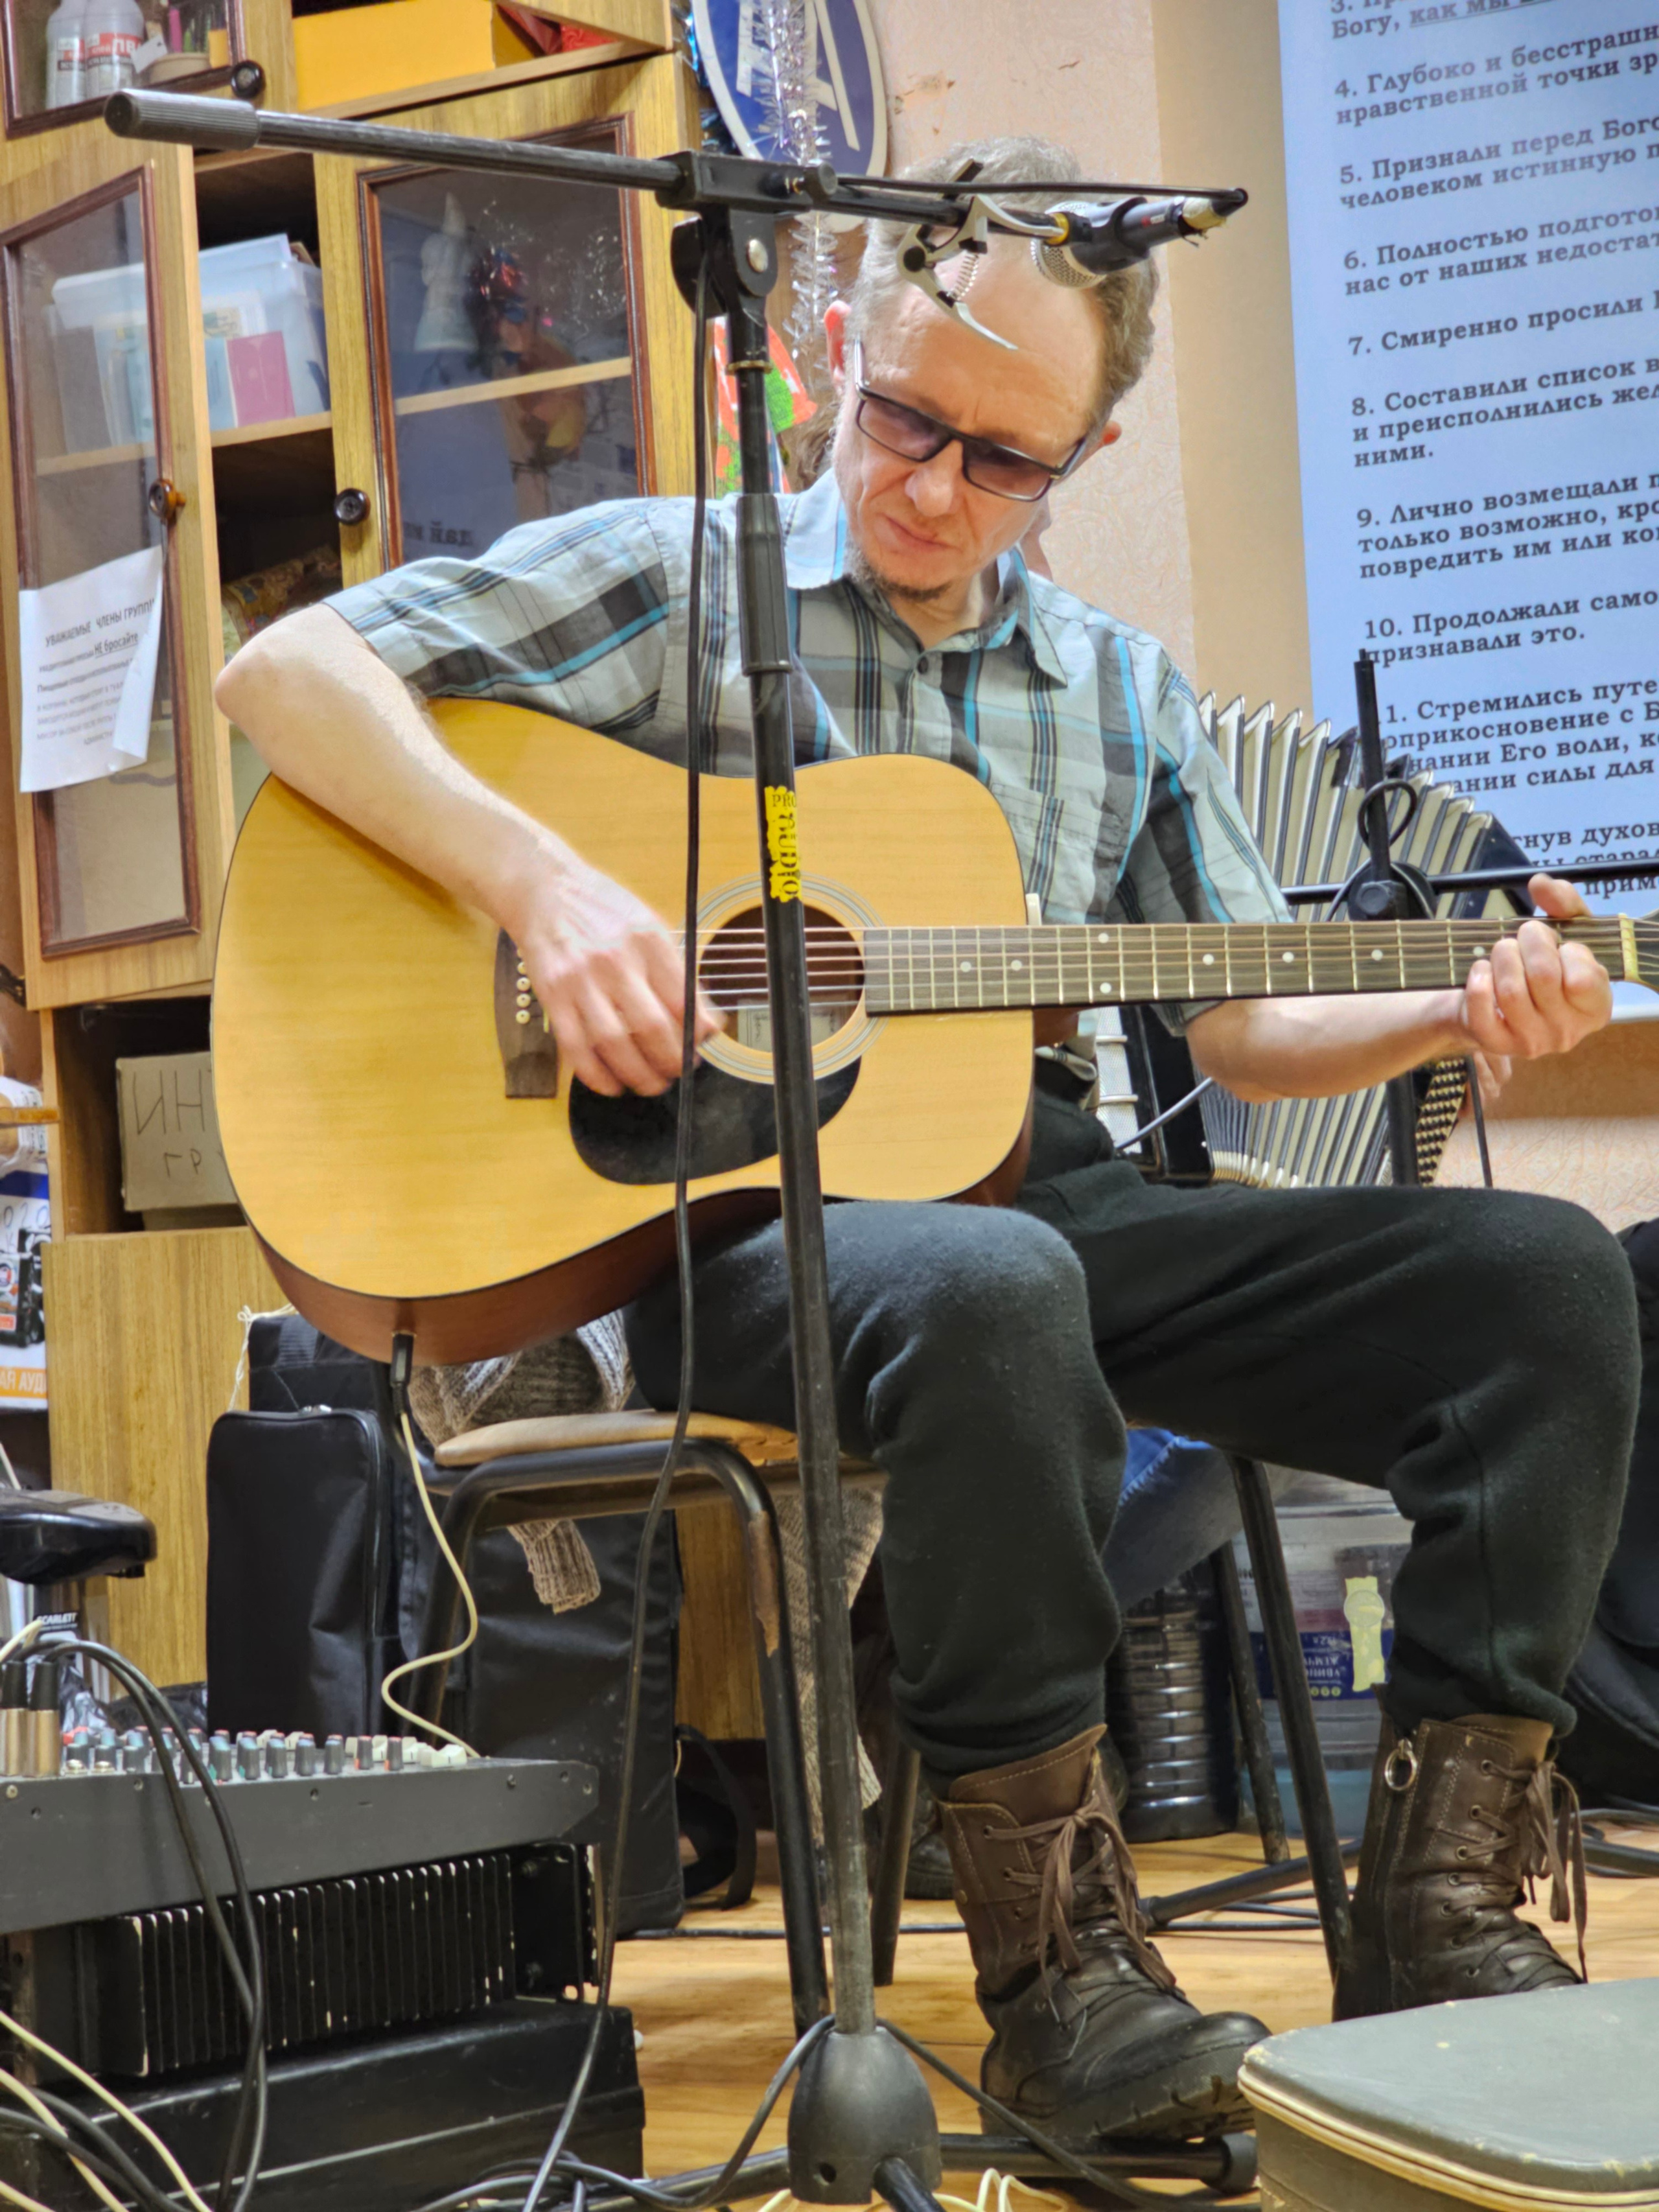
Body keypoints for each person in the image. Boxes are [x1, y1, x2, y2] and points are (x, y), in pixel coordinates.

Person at [218, 138, 1642, 2144]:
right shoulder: (675, 577)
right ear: (835, 351)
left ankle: (1441, 1922)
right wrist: (552, 892)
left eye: (1004, 463)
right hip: (737, 1224)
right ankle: (1061, 1974)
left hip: (1030, 1178)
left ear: (1088, 454)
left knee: (1550, 1285)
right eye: (906, 421)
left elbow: (1237, 1021)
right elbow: (286, 673)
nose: (932, 488)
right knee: (994, 1284)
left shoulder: (1118, 687)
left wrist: (1452, 1001)